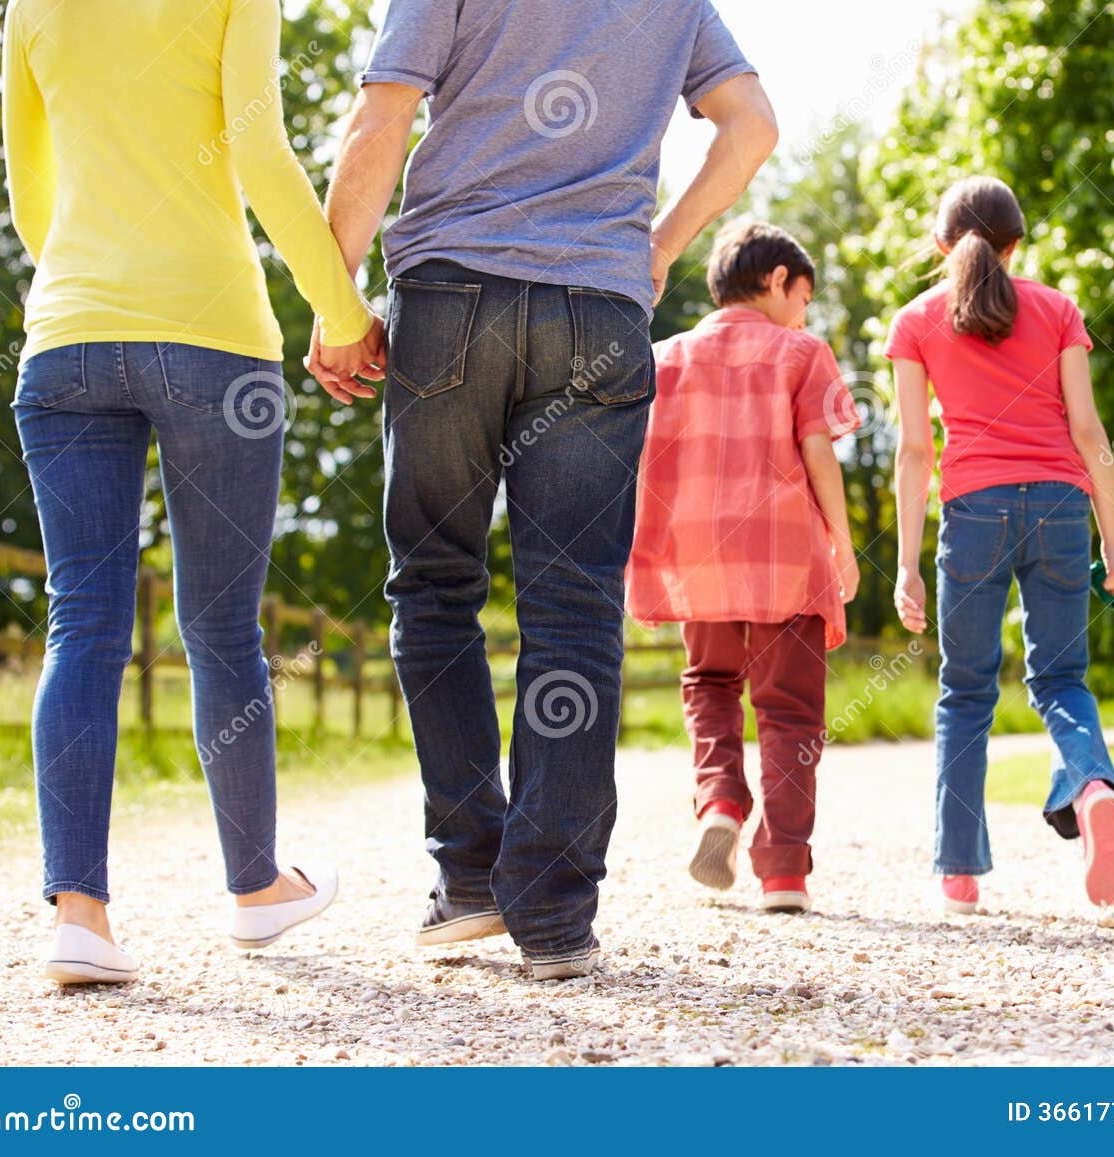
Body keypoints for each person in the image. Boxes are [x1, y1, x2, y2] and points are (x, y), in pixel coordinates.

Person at [304, 0, 778, 979]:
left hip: (451, 302)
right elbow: (754, 124)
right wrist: (659, 246)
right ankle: (556, 911)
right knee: (573, 603)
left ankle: (470, 876)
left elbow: (380, 117)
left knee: (435, 586)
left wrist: (332, 291)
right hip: (599, 311)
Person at [1, 0, 385, 984]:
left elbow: (27, 192)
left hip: (69, 335)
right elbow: (260, 154)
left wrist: (92, 282)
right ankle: (256, 891)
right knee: (221, 629)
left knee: (81, 624)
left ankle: (79, 918)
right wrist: (341, 310)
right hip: (214, 337)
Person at [887, 176, 1114, 914]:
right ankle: (1090, 783)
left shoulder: (915, 321)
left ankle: (960, 871)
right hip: (1061, 505)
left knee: (965, 692)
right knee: (1062, 679)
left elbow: (911, 451)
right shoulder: (1058, 310)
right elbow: (1090, 434)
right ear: (1017, 243)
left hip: (973, 512)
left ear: (940, 245)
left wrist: (905, 564)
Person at [626, 221, 859, 915]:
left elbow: (642, 461)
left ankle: (720, 798)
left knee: (710, 682)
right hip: (784, 550)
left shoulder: (665, 357)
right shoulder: (801, 352)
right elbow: (819, 451)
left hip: (698, 552)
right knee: (790, 708)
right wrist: (842, 542)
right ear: (778, 280)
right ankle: (784, 872)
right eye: (805, 296)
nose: (805, 312)